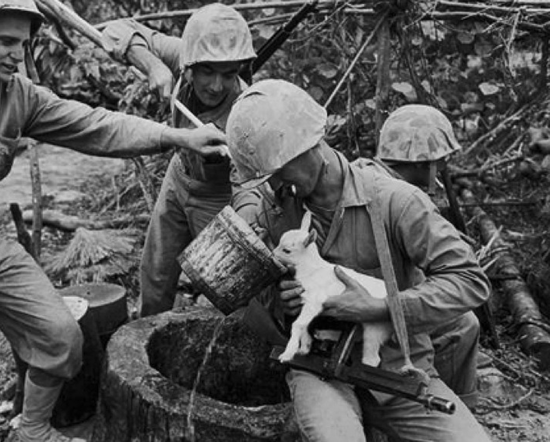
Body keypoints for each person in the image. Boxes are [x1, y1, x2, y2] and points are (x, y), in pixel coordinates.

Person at [0, 0, 229, 441]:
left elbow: (95, 125)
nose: (19, 55)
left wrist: (177, 136)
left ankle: (32, 431)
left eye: (24, 42)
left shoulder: (17, 94)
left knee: (59, 336)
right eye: (7, 42)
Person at [225, 79, 492, 442]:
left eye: (280, 168)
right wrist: (282, 302)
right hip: (320, 372)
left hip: (397, 368)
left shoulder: (395, 201)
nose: (275, 182)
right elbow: (257, 310)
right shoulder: (275, 211)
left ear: (310, 144)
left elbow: (468, 280)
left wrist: (381, 306)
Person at [103, 3, 258, 317]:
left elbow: (254, 185)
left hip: (218, 198)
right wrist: (152, 65)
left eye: (229, 74)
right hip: (178, 179)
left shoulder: (248, 113)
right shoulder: (181, 55)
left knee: (227, 287)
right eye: (207, 71)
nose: (216, 86)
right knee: (155, 272)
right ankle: (143, 339)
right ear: (190, 63)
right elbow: (116, 30)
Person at [353, 104, 483, 409]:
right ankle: (452, 407)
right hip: (376, 305)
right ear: (426, 164)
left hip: (363, 295)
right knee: (464, 325)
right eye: (438, 163)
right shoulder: (404, 195)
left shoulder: (360, 172)